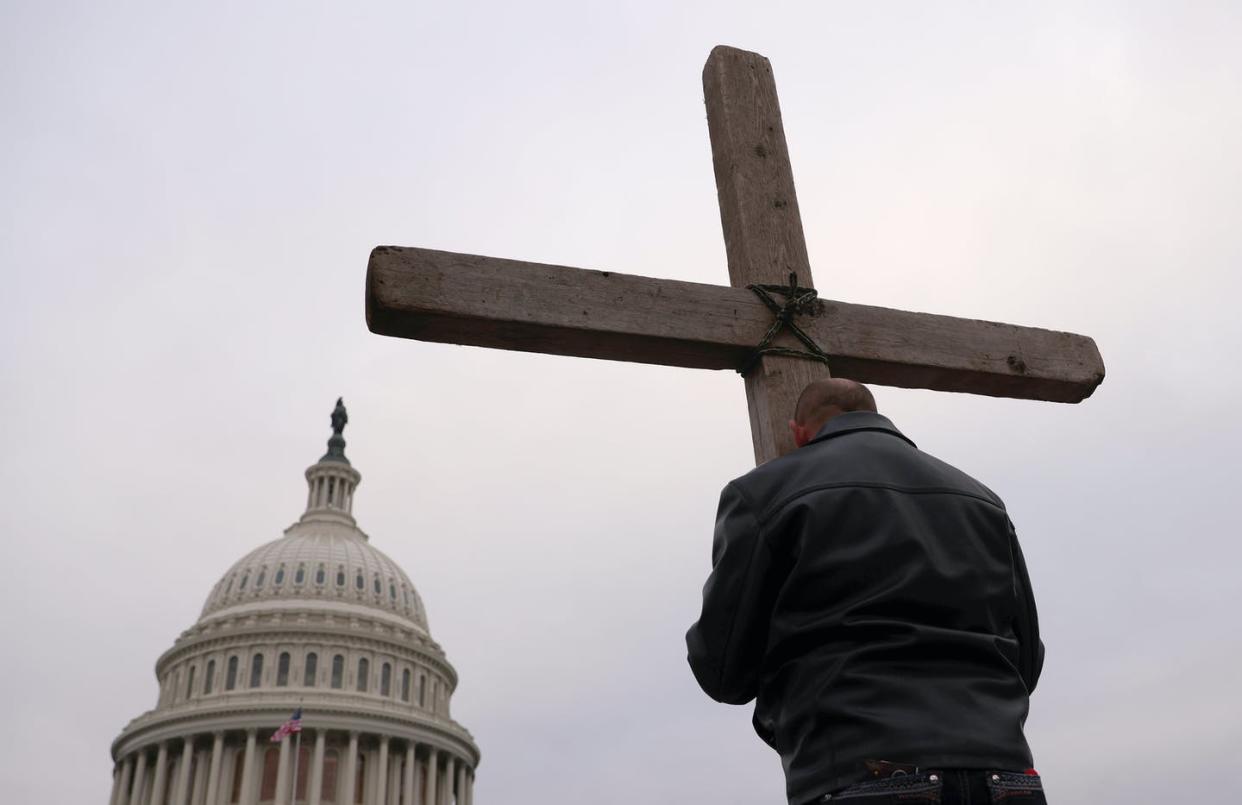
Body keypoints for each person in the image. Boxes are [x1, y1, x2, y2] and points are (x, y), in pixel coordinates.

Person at [686, 379, 1046, 804]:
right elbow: (1027, 659)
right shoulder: (983, 499)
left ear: (798, 432)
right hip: (1005, 774)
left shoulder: (764, 493)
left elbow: (723, 670)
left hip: (864, 767)